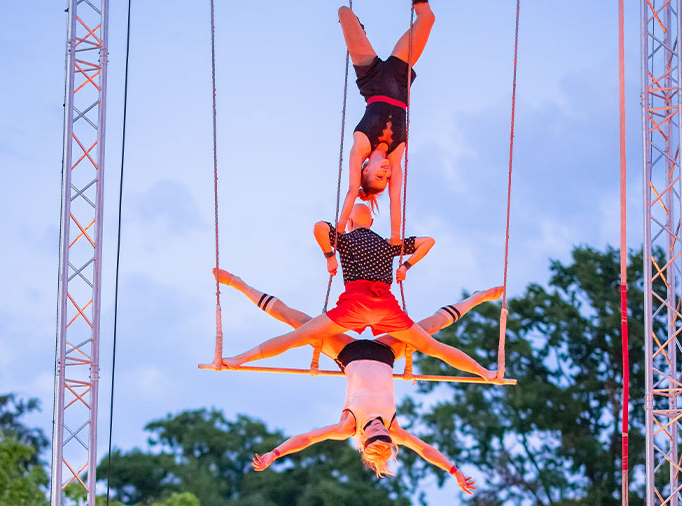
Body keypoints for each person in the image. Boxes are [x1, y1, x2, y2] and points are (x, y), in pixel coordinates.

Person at [212, 268, 500, 493]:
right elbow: (425, 450)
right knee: (432, 328)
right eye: (383, 433)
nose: (378, 427)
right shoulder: (394, 428)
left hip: (348, 354)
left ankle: (240, 284)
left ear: (363, 441)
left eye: (374, 433)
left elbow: (308, 438)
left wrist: (274, 454)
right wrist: (455, 471)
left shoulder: (347, 426)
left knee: (297, 323)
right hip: (387, 353)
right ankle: (476, 298)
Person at [223, 204, 498, 384]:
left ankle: (240, 356)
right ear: (372, 221)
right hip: (384, 305)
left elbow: (319, 227)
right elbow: (429, 242)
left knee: (297, 333)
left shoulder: (346, 238)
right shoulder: (388, 244)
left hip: (355, 305)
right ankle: (484, 369)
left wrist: (330, 255)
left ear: (351, 221)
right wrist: (405, 266)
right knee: (433, 344)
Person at [336, 0, 436, 244]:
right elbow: (395, 199)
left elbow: (351, 191)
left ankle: (359, 30)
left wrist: (339, 230)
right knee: (427, 17)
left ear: (365, 170)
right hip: (399, 77)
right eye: (387, 178)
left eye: (379, 177)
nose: (387, 174)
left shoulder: (361, 146)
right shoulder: (395, 154)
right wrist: (394, 237)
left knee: (344, 13)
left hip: (371, 77)